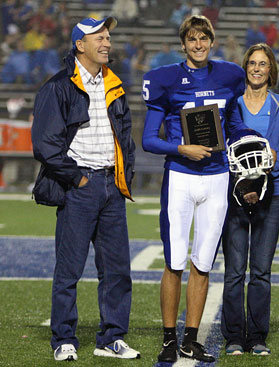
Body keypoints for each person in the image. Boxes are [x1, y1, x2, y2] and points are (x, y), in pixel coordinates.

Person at [31, 16, 139, 361]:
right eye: (99, 38)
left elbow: (125, 137)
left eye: (108, 37)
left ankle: (111, 338)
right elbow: (45, 144)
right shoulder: (58, 86)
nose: (107, 43)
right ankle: (64, 338)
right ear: (80, 45)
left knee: (118, 269)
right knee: (69, 269)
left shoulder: (114, 83)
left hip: (111, 185)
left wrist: (124, 174)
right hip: (80, 186)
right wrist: (77, 178)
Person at [141, 15, 248, 364]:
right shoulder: (166, 79)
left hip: (217, 177)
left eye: (204, 38)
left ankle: (191, 338)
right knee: (174, 261)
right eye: (192, 39)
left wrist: (252, 139)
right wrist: (181, 149)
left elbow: (232, 124)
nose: (198, 45)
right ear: (183, 43)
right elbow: (148, 140)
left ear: (212, 41)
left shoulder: (230, 74)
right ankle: (169, 338)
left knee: (202, 263)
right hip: (181, 176)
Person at [221, 43, 279, 357]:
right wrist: (242, 183)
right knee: (235, 270)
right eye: (251, 63)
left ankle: (258, 337)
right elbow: (224, 149)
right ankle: (235, 336)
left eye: (262, 63)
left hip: (271, 197)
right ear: (245, 67)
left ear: (270, 70)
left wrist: (256, 179)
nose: (256, 68)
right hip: (235, 197)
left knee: (261, 271)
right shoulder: (231, 105)